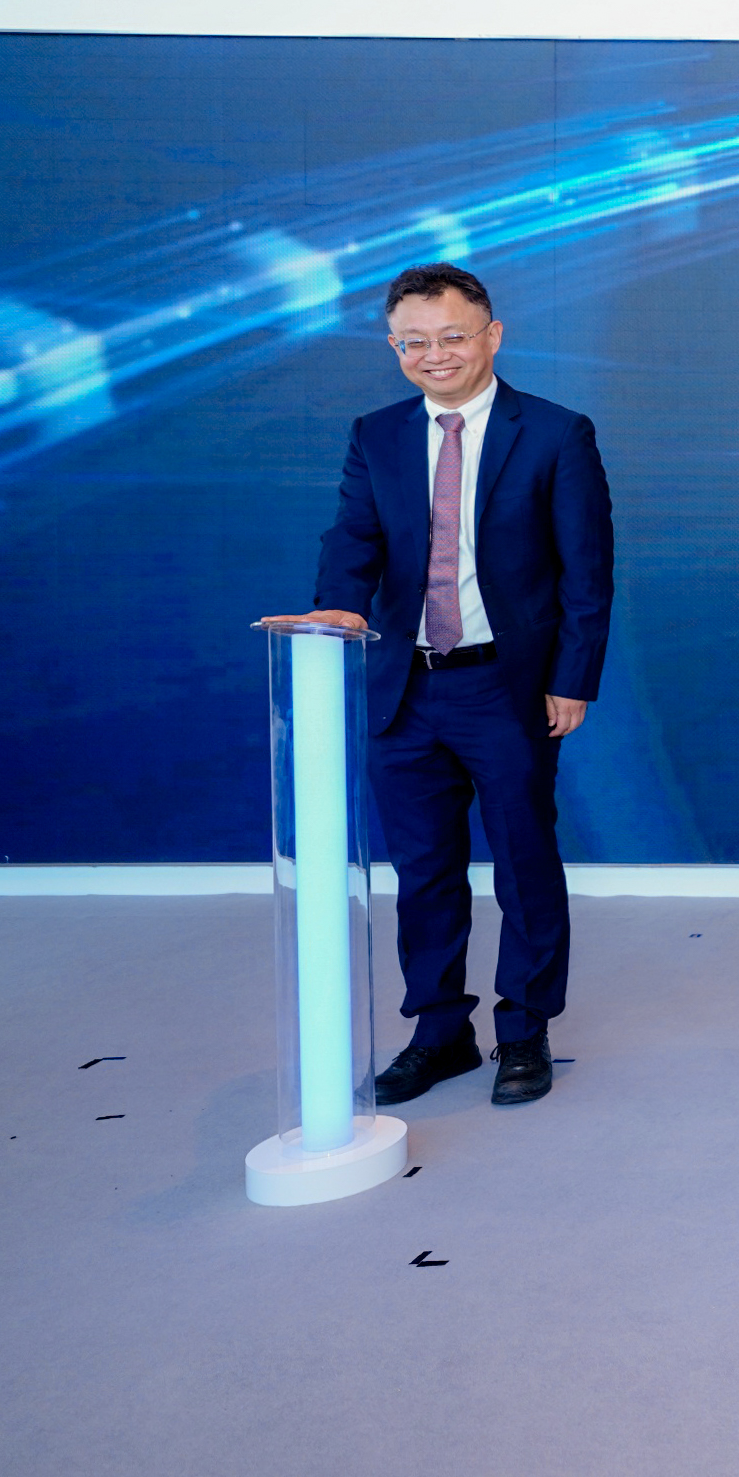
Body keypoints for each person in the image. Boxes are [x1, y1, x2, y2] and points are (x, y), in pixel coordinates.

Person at [263, 263, 614, 1110]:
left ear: (492, 336)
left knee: (524, 864)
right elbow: (351, 536)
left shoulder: (556, 433)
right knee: (422, 871)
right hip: (404, 690)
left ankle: (523, 1031)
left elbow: (587, 572)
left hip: (508, 686)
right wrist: (337, 612)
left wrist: (574, 679)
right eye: (413, 341)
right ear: (394, 348)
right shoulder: (376, 434)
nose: (434, 354)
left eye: (452, 336)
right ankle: (439, 1031)